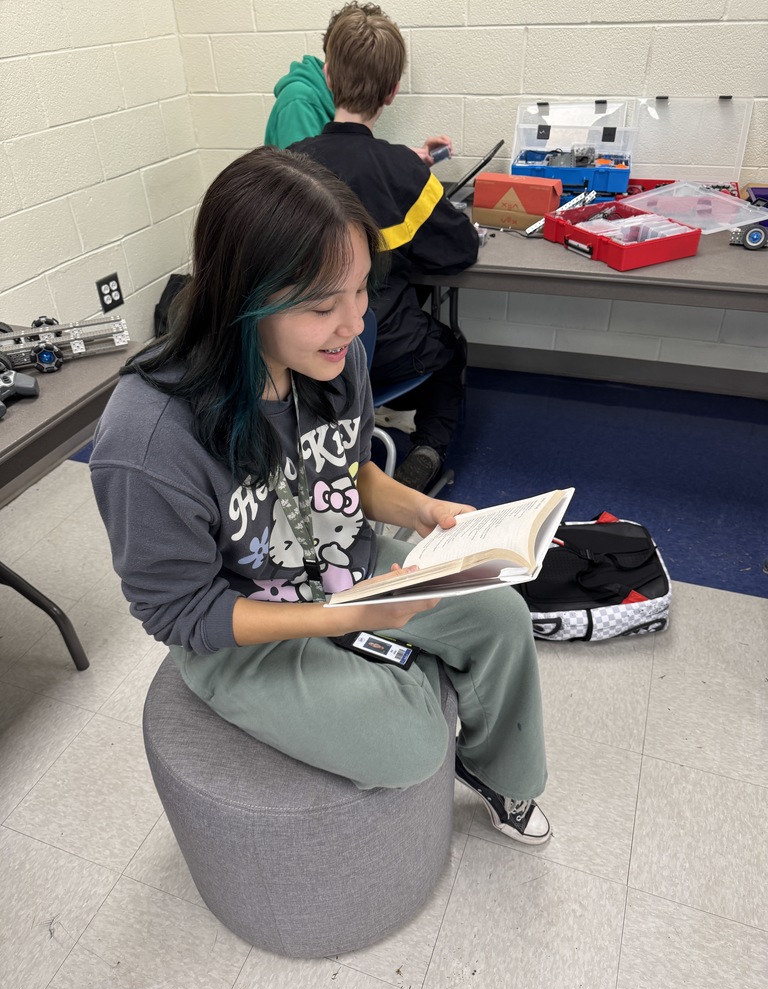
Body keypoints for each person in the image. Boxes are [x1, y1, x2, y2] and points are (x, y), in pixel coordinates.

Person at [90, 147, 549, 845]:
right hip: (243, 624)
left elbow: (346, 472)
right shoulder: (149, 439)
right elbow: (177, 611)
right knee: (411, 747)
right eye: (322, 305)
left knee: (502, 617)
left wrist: (423, 511)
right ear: (244, 298)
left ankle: (497, 771)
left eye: (363, 289)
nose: (355, 323)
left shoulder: (334, 356)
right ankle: (383, 665)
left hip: (336, 557)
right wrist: (342, 617)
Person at [291, 3, 479, 492]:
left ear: (328, 75)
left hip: (303, 351)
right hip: (385, 350)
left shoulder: (287, 166)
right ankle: (428, 450)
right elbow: (458, 250)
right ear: (393, 91)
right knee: (451, 348)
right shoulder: (403, 171)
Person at [264, 1, 451, 167]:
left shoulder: (341, 105)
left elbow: (349, 157)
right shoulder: (299, 102)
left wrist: (407, 158)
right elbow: (312, 190)